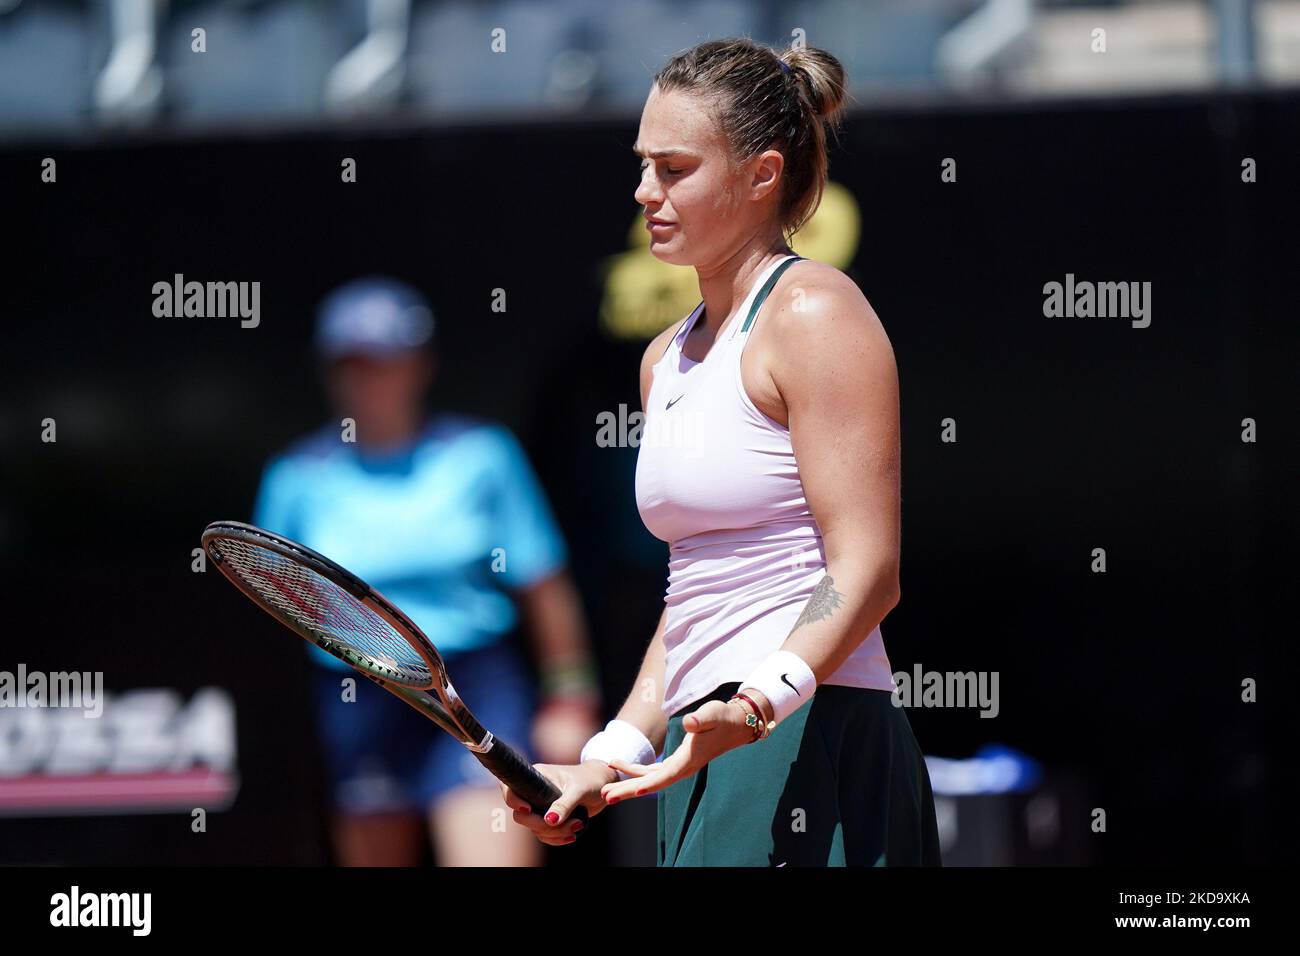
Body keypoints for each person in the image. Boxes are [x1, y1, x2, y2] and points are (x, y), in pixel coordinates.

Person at [500, 39, 941, 865]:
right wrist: (618, 750)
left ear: (761, 175)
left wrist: (757, 703)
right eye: (643, 166)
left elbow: (868, 569)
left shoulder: (815, 313)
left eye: (674, 168)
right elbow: (695, 590)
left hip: (813, 738)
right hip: (710, 749)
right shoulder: (661, 358)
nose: (645, 191)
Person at [253, 276, 600, 866]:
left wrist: (570, 697)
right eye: (354, 363)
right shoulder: (295, 478)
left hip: (473, 686)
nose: (370, 380)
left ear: (420, 365)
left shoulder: (483, 456)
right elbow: (275, 599)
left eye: (386, 360)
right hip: (358, 699)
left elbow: (543, 584)